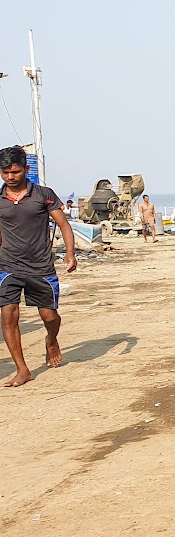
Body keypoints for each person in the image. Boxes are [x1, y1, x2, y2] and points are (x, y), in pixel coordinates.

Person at [0, 145, 77, 387]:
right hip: (8, 266)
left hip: (41, 266)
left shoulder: (44, 194)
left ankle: (51, 340)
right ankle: (23, 369)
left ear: (26, 169)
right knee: (8, 314)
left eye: (15, 172)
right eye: (5, 173)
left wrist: (70, 253)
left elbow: (64, 225)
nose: (10, 177)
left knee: (49, 316)